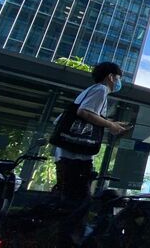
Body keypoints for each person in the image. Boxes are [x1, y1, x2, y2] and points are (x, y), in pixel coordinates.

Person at [55, 62, 129, 245]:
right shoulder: (101, 90)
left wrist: (112, 123)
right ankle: (71, 241)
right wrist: (111, 125)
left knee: (74, 201)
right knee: (80, 202)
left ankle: (72, 238)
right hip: (75, 156)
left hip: (68, 154)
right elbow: (84, 112)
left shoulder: (93, 90)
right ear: (111, 77)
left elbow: (89, 115)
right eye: (119, 78)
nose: (119, 82)